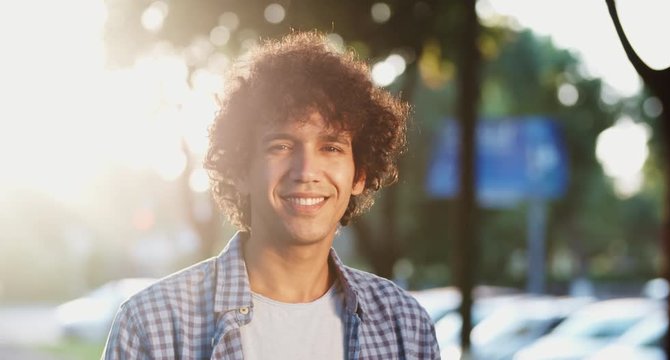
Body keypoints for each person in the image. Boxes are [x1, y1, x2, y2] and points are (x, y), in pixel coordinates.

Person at [103, 31, 440, 360]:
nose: (306, 170)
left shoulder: (405, 326)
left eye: (331, 147)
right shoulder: (151, 326)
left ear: (360, 174)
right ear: (241, 169)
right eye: (280, 146)